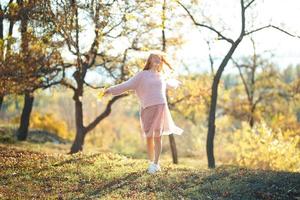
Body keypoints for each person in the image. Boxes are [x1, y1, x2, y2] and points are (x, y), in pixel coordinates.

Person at [103, 53, 184, 174]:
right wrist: (110, 90)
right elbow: (127, 85)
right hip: (147, 108)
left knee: (157, 135)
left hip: (160, 107)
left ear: (161, 61)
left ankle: (156, 164)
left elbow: (168, 85)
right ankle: (151, 162)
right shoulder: (142, 75)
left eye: (159, 59)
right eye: (154, 58)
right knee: (149, 136)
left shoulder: (161, 76)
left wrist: (176, 84)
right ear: (150, 61)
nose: (157, 60)